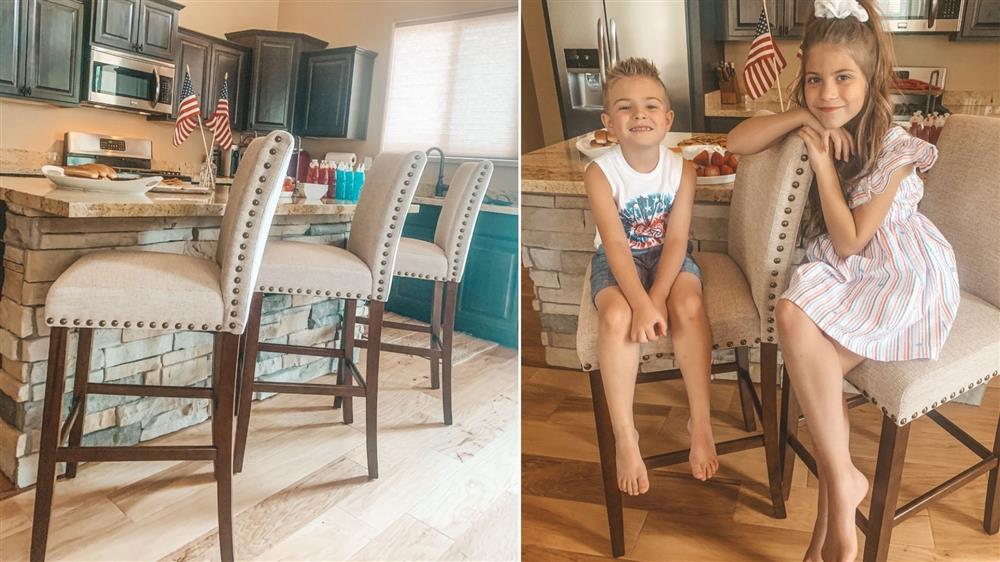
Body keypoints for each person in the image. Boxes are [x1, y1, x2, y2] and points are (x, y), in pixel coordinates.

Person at [727, 1, 960, 560]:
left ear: (871, 77)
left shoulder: (898, 147)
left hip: (902, 273)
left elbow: (854, 238)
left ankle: (835, 501)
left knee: (810, 369)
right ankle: (842, 494)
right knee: (798, 332)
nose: (827, 92)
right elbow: (736, 141)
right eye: (814, 80)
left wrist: (825, 167)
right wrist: (800, 121)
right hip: (850, 271)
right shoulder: (815, 118)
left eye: (843, 78)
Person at [585, 57, 717, 497]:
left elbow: (677, 240)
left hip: (667, 258)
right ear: (608, 122)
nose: (639, 114)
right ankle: (626, 436)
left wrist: (657, 297)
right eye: (625, 107)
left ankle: (700, 421)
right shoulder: (600, 173)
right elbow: (617, 244)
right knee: (617, 319)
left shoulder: (684, 170)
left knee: (689, 306)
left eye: (650, 105)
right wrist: (639, 303)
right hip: (618, 260)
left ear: (668, 118)